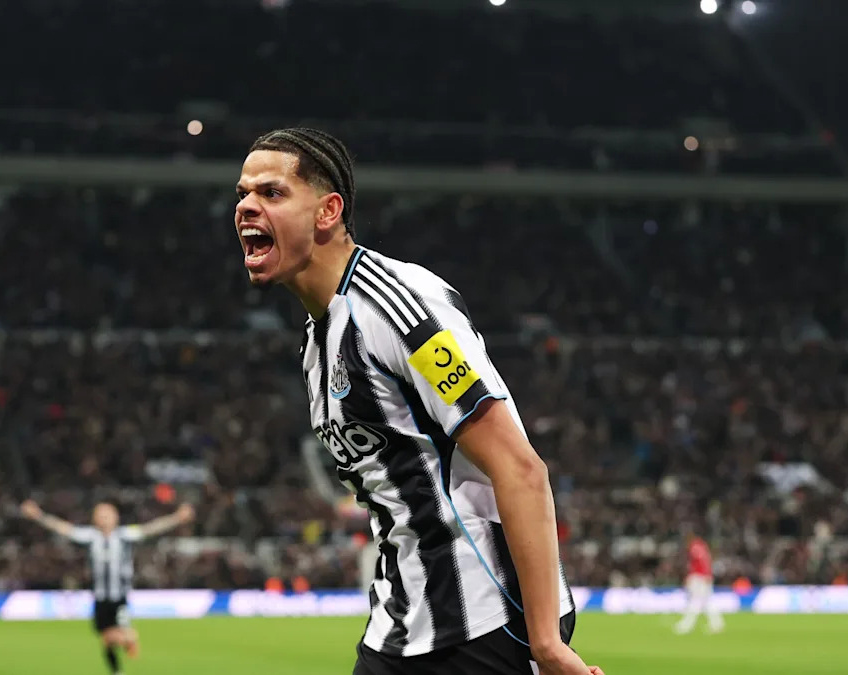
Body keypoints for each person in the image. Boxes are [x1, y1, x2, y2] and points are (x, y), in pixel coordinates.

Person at [232, 127, 604, 675]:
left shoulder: (399, 310)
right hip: (401, 625)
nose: (246, 206)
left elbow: (521, 468)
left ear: (328, 211)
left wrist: (545, 642)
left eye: (272, 192)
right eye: (242, 193)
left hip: (483, 626)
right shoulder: (318, 339)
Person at [20, 499, 195, 675]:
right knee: (106, 640)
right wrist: (39, 516)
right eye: (100, 515)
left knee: (122, 632)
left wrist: (177, 518)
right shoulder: (90, 536)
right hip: (99, 597)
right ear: (94, 519)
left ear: (115, 517)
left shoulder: (125, 535)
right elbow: (64, 529)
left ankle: (128, 640)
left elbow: (150, 529)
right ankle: (117, 670)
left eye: (107, 515)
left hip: (119, 596)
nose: (103, 518)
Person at [674, 535, 724, 634]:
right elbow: (706, 561)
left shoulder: (695, 546)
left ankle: (686, 625)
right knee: (706, 602)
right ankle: (717, 624)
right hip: (704, 577)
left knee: (695, 601)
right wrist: (708, 575)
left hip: (699, 578)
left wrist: (696, 576)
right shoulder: (703, 545)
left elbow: (701, 562)